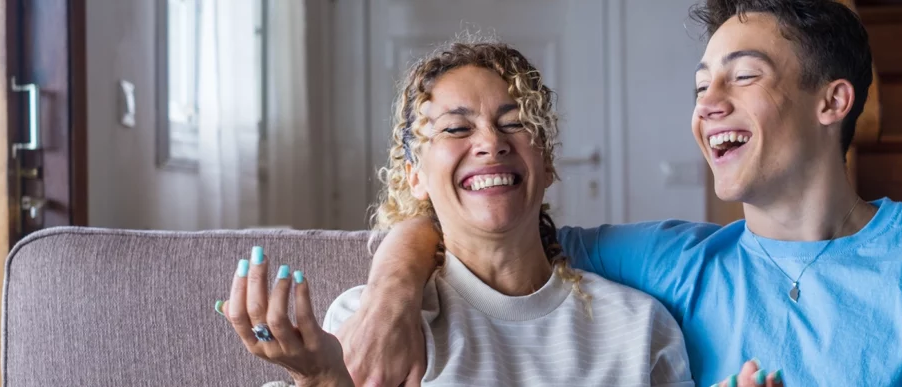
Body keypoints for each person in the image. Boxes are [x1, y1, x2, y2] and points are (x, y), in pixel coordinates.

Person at [332, 1, 902, 386]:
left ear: (832, 101)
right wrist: (392, 290)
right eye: (701, 85)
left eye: (742, 76)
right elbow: (494, 227)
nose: (707, 104)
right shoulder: (670, 263)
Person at [217, 40, 699, 386]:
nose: (491, 143)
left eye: (513, 123)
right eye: (454, 129)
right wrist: (324, 380)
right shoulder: (370, 322)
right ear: (415, 175)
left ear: (546, 161)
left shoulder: (639, 327)